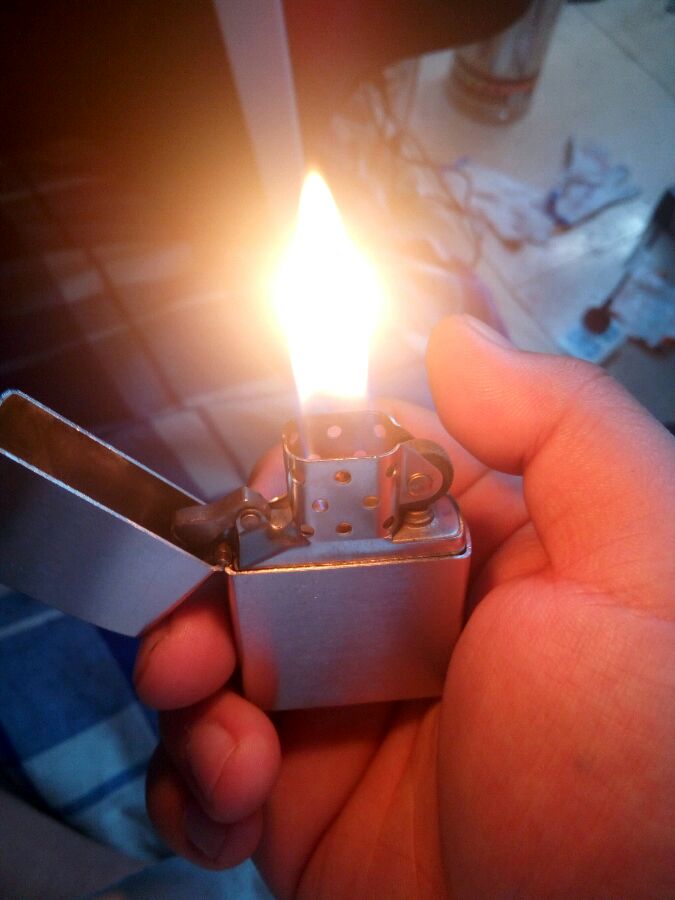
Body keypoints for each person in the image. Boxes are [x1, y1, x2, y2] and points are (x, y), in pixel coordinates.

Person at [133, 314, 675, 899]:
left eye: (354, 477)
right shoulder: (275, 535)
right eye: (331, 479)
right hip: (340, 803)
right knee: (198, 704)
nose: (341, 476)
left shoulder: (440, 529)